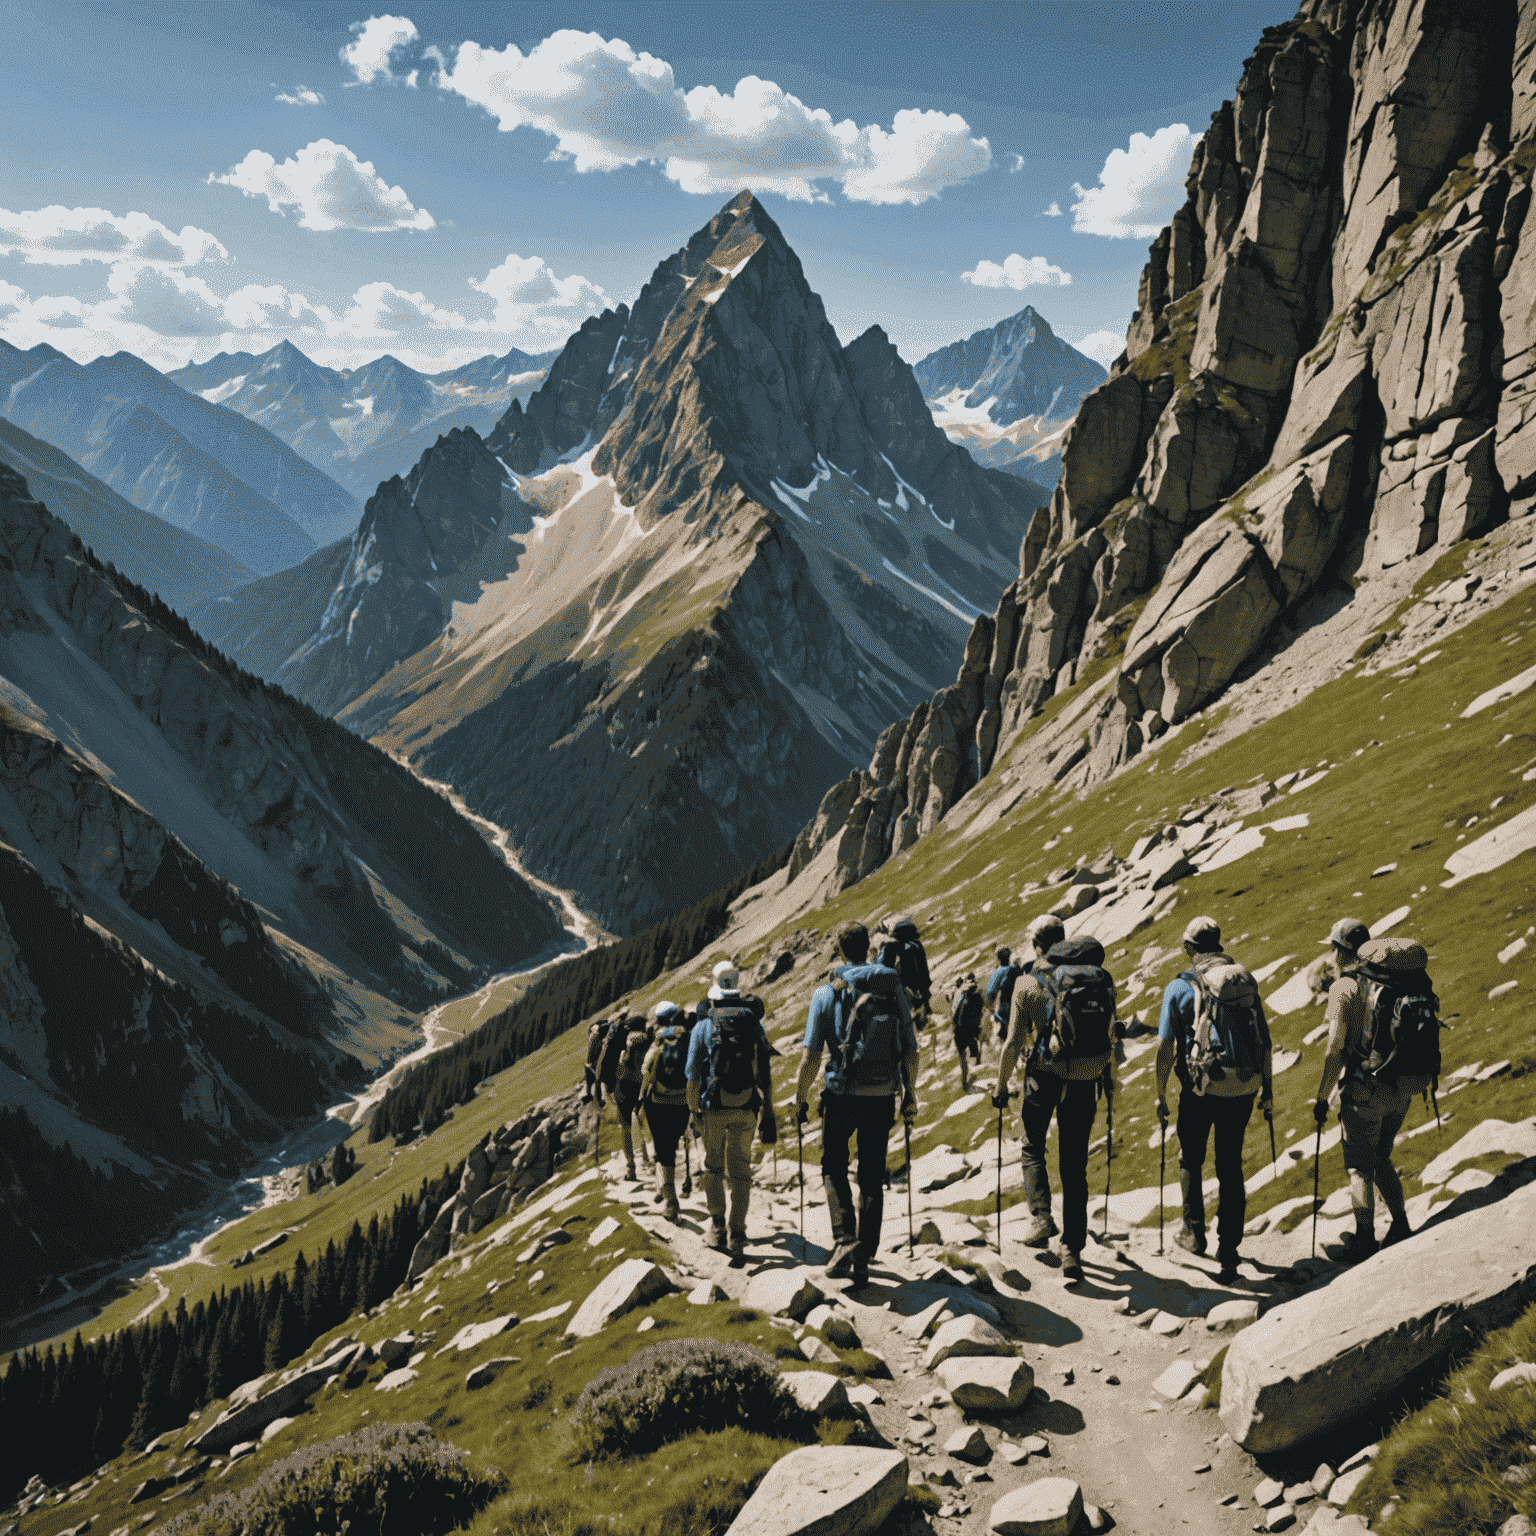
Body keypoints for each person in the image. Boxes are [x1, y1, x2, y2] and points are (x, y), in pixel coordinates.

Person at [795, 922, 920, 1289]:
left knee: (833, 1164)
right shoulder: (891, 985)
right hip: (882, 1094)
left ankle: (844, 1238)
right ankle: (864, 1255)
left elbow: (810, 1057)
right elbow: (910, 1048)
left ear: (839, 946)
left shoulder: (827, 991)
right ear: (869, 947)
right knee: (871, 1174)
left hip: (840, 1093)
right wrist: (910, 1093)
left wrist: (800, 1099)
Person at [993, 916, 1117, 1282]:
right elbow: (1110, 1032)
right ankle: (1072, 1250)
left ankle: (1042, 1217)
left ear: (1036, 945)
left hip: (1043, 1075)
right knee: (1074, 1163)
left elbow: (1014, 1041)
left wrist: (1001, 1085)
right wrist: (1110, 1079)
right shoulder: (1099, 978)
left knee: (1032, 1146)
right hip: (1086, 1077)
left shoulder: (1027, 982)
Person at [1154, 915, 1273, 1284]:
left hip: (1201, 1087)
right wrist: (1268, 1089)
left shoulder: (1180, 987)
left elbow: (1165, 1047)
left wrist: (1159, 1094)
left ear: (1190, 948)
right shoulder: (1243, 980)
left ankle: (1193, 1234)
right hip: (1243, 1086)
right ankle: (1230, 1247)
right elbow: (1264, 1039)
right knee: (1230, 1165)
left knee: (1190, 1157)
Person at [1312, 924, 1431, 1261]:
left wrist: (1323, 1096)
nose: (1331, 955)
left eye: (1333, 948)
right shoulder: (1394, 979)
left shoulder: (1345, 988)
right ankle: (1401, 1223)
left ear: (1340, 950)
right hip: (1403, 1084)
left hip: (1365, 1089)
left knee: (1359, 1167)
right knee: (1381, 1157)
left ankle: (1365, 1239)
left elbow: (1335, 1047)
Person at [686, 962, 775, 1264]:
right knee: (741, 1172)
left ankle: (717, 1226)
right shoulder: (752, 1020)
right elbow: (763, 1063)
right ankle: (738, 1234)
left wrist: (693, 1110)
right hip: (746, 1105)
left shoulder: (703, 1024)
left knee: (714, 1169)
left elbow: (692, 1076)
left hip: (713, 1108)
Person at [641, 1000, 692, 1221]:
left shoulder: (659, 1040)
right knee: (676, 1141)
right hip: (683, 1101)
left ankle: (670, 1198)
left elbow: (646, 1068)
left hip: (659, 1102)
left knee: (664, 1150)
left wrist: (641, 1097)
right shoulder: (687, 1037)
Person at [878, 915, 932, 1035]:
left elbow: (884, 969)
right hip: (920, 991)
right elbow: (924, 970)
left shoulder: (891, 946)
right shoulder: (916, 944)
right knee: (923, 1024)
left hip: (903, 995)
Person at [950, 972, 984, 1092]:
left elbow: (953, 1012)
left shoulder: (959, 995)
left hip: (959, 1031)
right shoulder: (977, 997)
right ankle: (976, 1071)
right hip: (969, 1031)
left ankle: (965, 1082)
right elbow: (980, 1014)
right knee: (975, 1051)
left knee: (962, 1057)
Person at [985, 946, 1024, 1044]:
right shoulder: (1017, 969)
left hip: (1006, 1009)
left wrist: (992, 1012)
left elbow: (990, 996)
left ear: (998, 959)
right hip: (1022, 1003)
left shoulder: (997, 973)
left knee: (1006, 1037)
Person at [582, 1018, 608, 1103]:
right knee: (596, 1080)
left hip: (596, 1063)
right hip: (597, 1061)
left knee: (597, 1080)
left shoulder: (594, 1038)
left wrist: (589, 1062)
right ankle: (594, 1096)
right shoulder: (598, 1037)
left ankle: (596, 1097)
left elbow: (591, 1052)